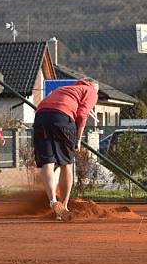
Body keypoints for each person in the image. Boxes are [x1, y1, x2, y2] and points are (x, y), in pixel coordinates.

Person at [33, 78, 99, 220]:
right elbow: (82, 114)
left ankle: (53, 201)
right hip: (62, 117)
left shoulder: (64, 89)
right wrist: (78, 139)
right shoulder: (91, 91)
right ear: (94, 87)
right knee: (66, 164)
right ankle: (65, 205)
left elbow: (43, 105)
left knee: (47, 163)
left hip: (41, 117)